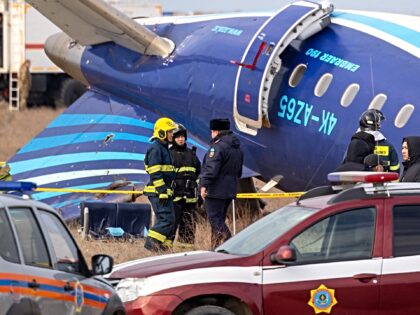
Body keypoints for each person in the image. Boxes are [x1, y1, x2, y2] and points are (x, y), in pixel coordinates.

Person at [200, 118, 243, 248]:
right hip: (230, 189)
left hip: (215, 190)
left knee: (215, 220)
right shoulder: (237, 148)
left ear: (216, 131)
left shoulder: (217, 147)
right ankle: (216, 249)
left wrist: (204, 185)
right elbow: (239, 172)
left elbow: (211, 170)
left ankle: (232, 245)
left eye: (212, 132)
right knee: (219, 221)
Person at [143, 117, 177, 252]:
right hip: (158, 192)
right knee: (166, 220)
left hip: (163, 192)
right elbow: (155, 172)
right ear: (161, 133)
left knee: (171, 220)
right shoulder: (156, 148)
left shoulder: (164, 148)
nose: (172, 134)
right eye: (169, 132)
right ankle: (151, 245)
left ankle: (164, 250)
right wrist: (162, 191)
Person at [169, 124, 201, 245]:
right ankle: (166, 252)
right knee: (171, 227)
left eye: (182, 136)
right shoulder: (169, 154)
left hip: (190, 199)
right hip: (175, 199)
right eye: (178, 137)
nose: (180, 139)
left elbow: (199, 173)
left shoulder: (192, 154)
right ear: (174, 138)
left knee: (189, 228)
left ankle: (186, 253)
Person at [360, 109, 400, 173]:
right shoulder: (388, 146)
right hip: (383, 181)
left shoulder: (356, 143)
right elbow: (395, 170)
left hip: (362, 181)